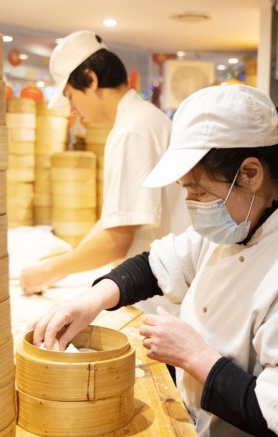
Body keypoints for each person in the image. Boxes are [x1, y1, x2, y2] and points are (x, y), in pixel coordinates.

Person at [29, 84, 278, 437]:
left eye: (199, 192)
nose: (193, 205)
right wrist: (89, 302)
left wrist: (194, 355)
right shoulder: (240, 221)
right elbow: (155, 264)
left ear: (250, 173)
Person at [20, 30, 189, 313]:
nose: (73, 110)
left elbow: (116, 242)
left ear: (91, 79)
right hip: (159, 285)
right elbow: (114, 220)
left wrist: (47, 271)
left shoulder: (132, 131)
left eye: (71, 97)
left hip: (159, 297)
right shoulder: (141, 120)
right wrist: (63, 266)